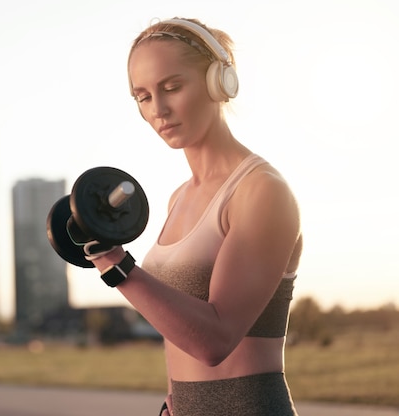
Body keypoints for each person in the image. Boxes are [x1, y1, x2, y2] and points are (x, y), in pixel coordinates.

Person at [87, 17, 303, 416]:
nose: (159, 109)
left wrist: (116, 265)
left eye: (172, 87)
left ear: (219, 82)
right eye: (144, 96)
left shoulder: (261, 191)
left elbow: (214, 340)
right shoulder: (178, 199)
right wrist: (177, 401)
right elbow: (178, 330)